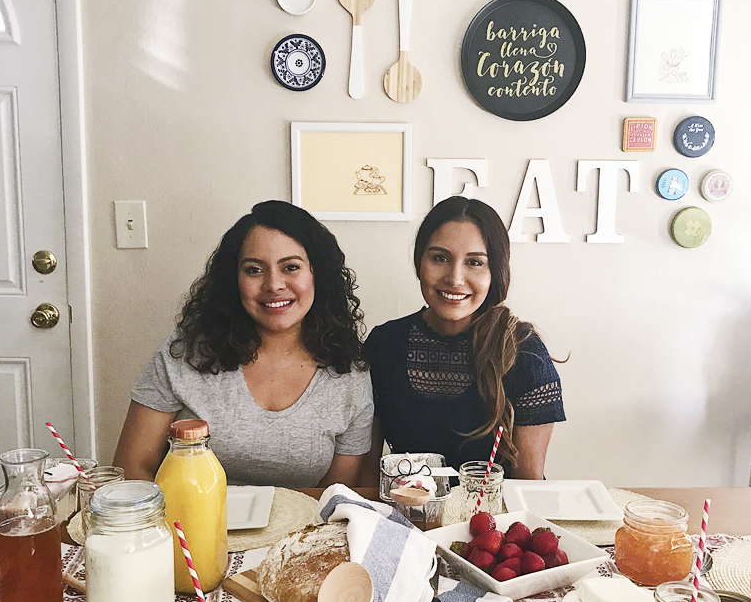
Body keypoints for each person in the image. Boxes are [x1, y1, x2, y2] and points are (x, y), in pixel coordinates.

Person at [114, 200, 373, 488]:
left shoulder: (348, 369)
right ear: (233, 279)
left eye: (290, 267)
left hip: (302, 530)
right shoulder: (186, 352)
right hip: (189, 526)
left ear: (318, 275)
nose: (273, 284)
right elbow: (131, 467)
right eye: (254, 270)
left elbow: (334, 495)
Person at [364, 196, 564, 480]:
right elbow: (366, 474)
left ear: (495, 271)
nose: (455, 278)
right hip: (406, 515)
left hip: (490, 518)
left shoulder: (523, 352)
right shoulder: (384, 344)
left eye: (474, 262)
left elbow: (528, 483)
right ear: (419, 263)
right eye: (440, 258)